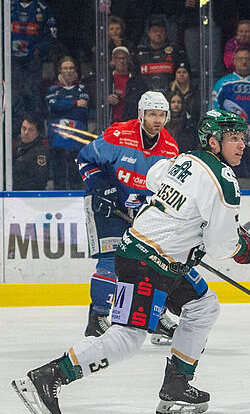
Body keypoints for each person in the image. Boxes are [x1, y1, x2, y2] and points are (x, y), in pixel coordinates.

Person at [13, 110, 250, 414]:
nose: (242, 144)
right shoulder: (222, 179)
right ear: (213, 142)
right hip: (147, 262)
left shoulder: (185, 160)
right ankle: (49, 376)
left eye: (242, 137)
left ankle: (176, 385)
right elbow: (222, 245)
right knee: (127, 337)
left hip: (158, 257)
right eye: (233, 138)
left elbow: (154, 174)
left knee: (203, 305)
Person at [74, 90, 182, 345]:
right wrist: (101, 187)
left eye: (162, 115)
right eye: (152, 114)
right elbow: (85, 159)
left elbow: (169, 187)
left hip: (140, 210)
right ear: (141, 115)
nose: (157, 120)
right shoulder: (118, 135)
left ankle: (155, 318)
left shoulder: (170, 148)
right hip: (105, 205)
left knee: (155, 262)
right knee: (111, 260)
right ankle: (98, 317)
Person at [44, 56, 91, 190]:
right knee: (58, 168)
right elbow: (53, 106)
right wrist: (74, 103)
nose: (68, 71)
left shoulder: (82, 88)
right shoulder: (53, 88)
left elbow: (81, 111)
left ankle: (76, 192)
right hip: (57, 136)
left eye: (71, 68)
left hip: (76, 135)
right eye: (65, 68)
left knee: (74, 169)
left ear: (75, 70)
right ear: (60, 70)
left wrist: (63, 106)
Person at [11, 0, 56, 110]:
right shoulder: (9, 6)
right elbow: (0, 30)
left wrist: (39, 49)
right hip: (13, 58)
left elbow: (51, 34)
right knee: (15, 91)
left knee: (33, 91)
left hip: (33, 58)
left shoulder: (44, 8)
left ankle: (35, 121)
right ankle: (16, 121)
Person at [212, 48, 250, 121]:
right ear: (234, 61)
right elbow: (215, 107)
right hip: (230, 127)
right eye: (240, 59)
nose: (244, 62)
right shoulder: (223, 83)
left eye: (247, 59)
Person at [136, 16, 188, 93]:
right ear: (149, 33)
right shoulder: (140, 52)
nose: (158, 34)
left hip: (170, 94)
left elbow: (182, 75)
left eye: (161, 31)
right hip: (145, 94)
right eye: (155, 31)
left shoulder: (175, 51)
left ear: (166, 33)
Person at [13, 115, 50, 190]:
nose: (26, 133)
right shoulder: (18, 147)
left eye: (31, 130)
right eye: (24, 128)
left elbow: (38, 182)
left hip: (27, 195)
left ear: (37, 133)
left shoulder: (40, 153)